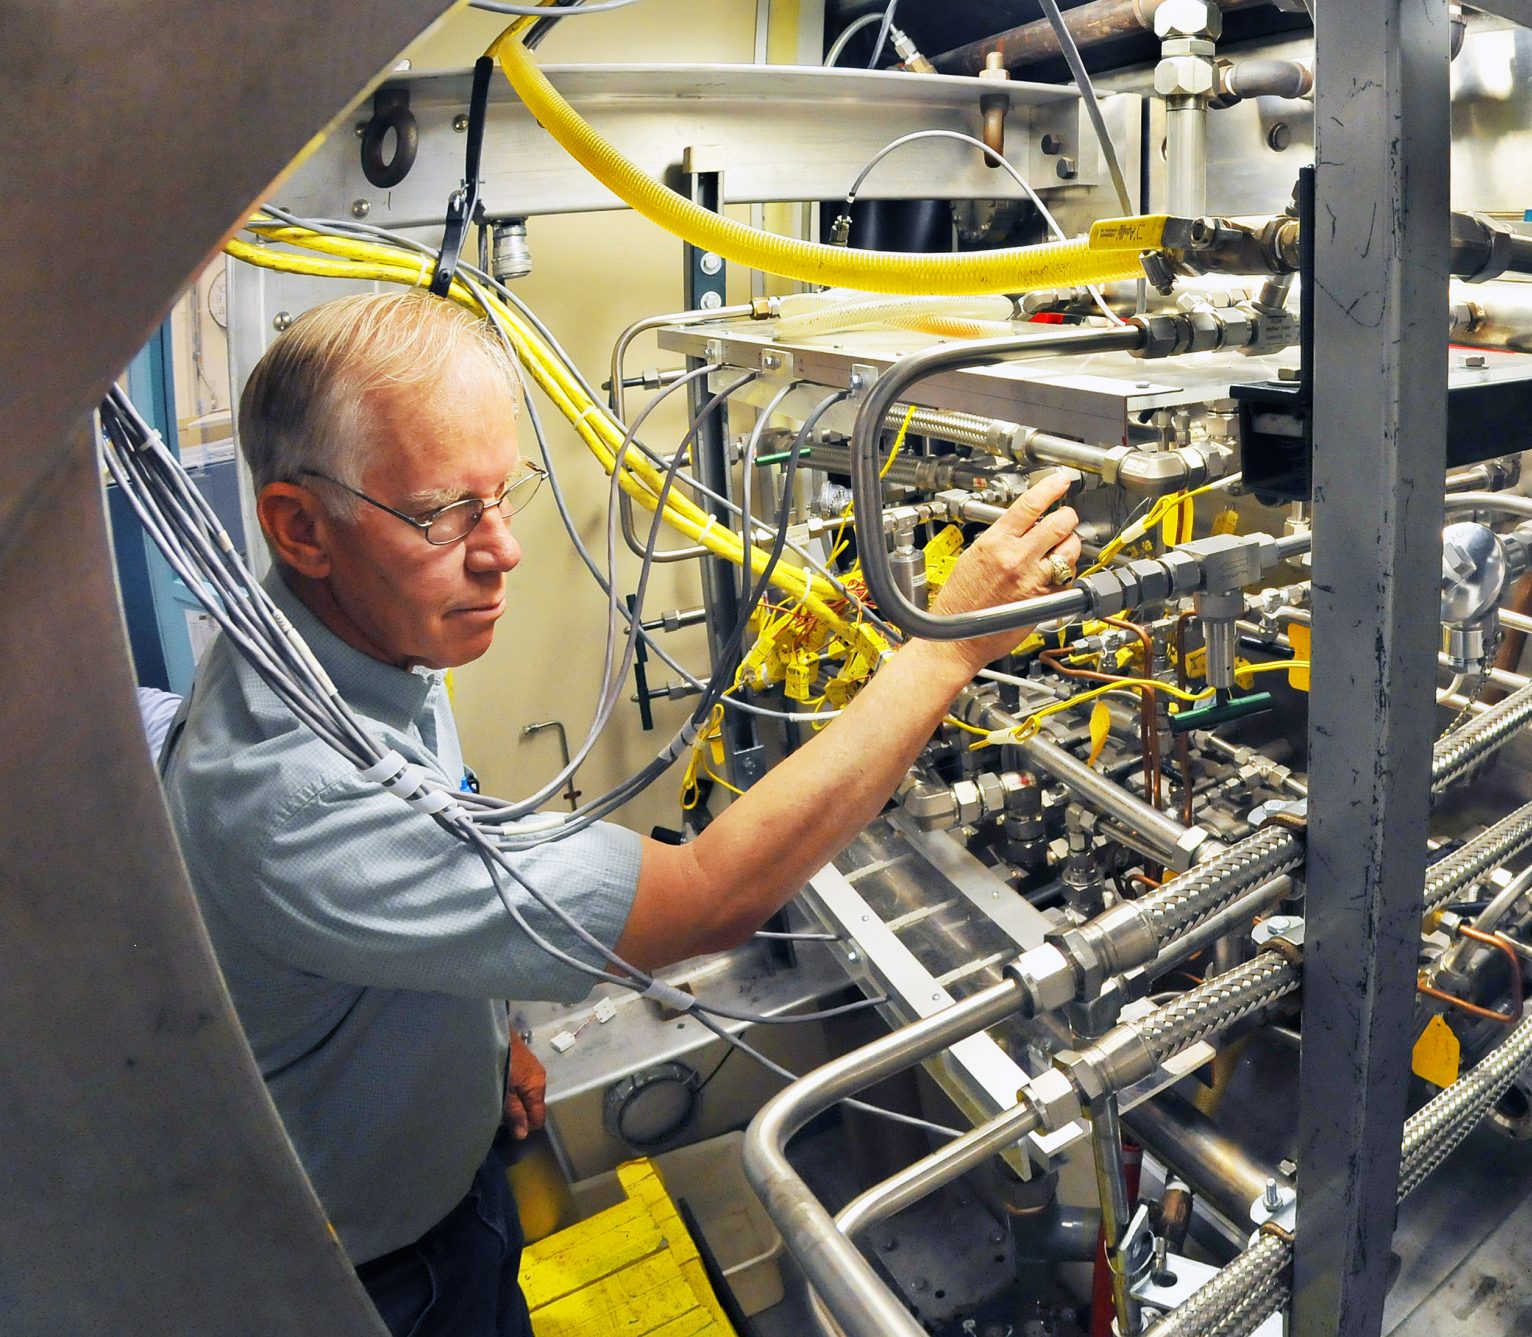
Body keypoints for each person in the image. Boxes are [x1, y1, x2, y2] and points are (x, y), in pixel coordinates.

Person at [160, 290, 1079, 1336]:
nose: (500, 551)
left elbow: (422, 861)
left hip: (454, 1184)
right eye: (444, 513)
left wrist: (483, 1030)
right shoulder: (294, 798)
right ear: (299, 526)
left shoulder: (347, 637)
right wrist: (948, 647)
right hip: (385, 1283)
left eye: (503, 496)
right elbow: (708, 898)